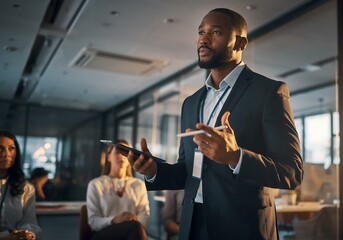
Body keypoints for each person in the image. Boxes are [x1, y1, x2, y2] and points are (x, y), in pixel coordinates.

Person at [127, 8, 303, 240]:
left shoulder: (269, 92)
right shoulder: (190, 103)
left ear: (240, 43)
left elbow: (292, 171)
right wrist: (154, 171)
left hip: (243, 227)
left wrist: (236, 157)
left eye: (215, 32)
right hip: (193, 224)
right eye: (201, 32)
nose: (203, 39)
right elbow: (189, 169)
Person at [86, 139, 150, 240]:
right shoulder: (95, 184)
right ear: (108, 157)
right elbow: (93, 221)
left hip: (131, 234)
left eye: (125, 153)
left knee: (135, 227)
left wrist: (131, 226)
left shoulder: (139, 185)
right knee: (134, 227)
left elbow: (144, 215)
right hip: (103, 234)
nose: (121, 156)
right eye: (117, 152)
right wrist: (114, 220)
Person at [0, 130, 42, 240]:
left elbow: (30, 222)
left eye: (11, 149)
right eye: (0, 148)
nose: (7, 154)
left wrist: (28, 234)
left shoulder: (26, 187)